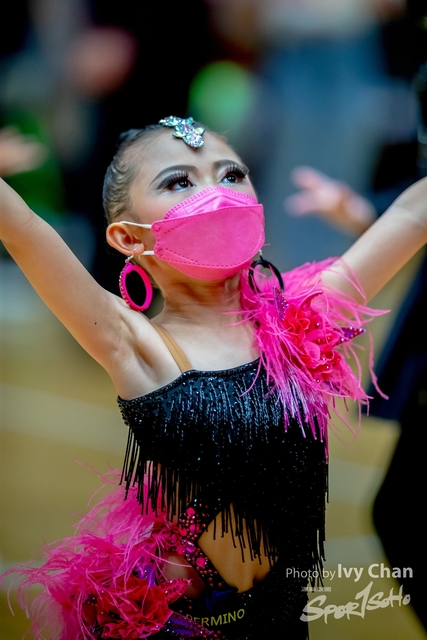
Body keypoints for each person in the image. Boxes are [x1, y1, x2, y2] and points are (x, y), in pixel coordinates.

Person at [2, 116, 427, 640]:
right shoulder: (134, 344)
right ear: (128, 237)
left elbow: (412, 214)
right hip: (179, 627)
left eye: (231, 174)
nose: (216, 193)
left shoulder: (302, 321)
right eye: (179, 182)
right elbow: (22, 229)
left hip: (282, 623)